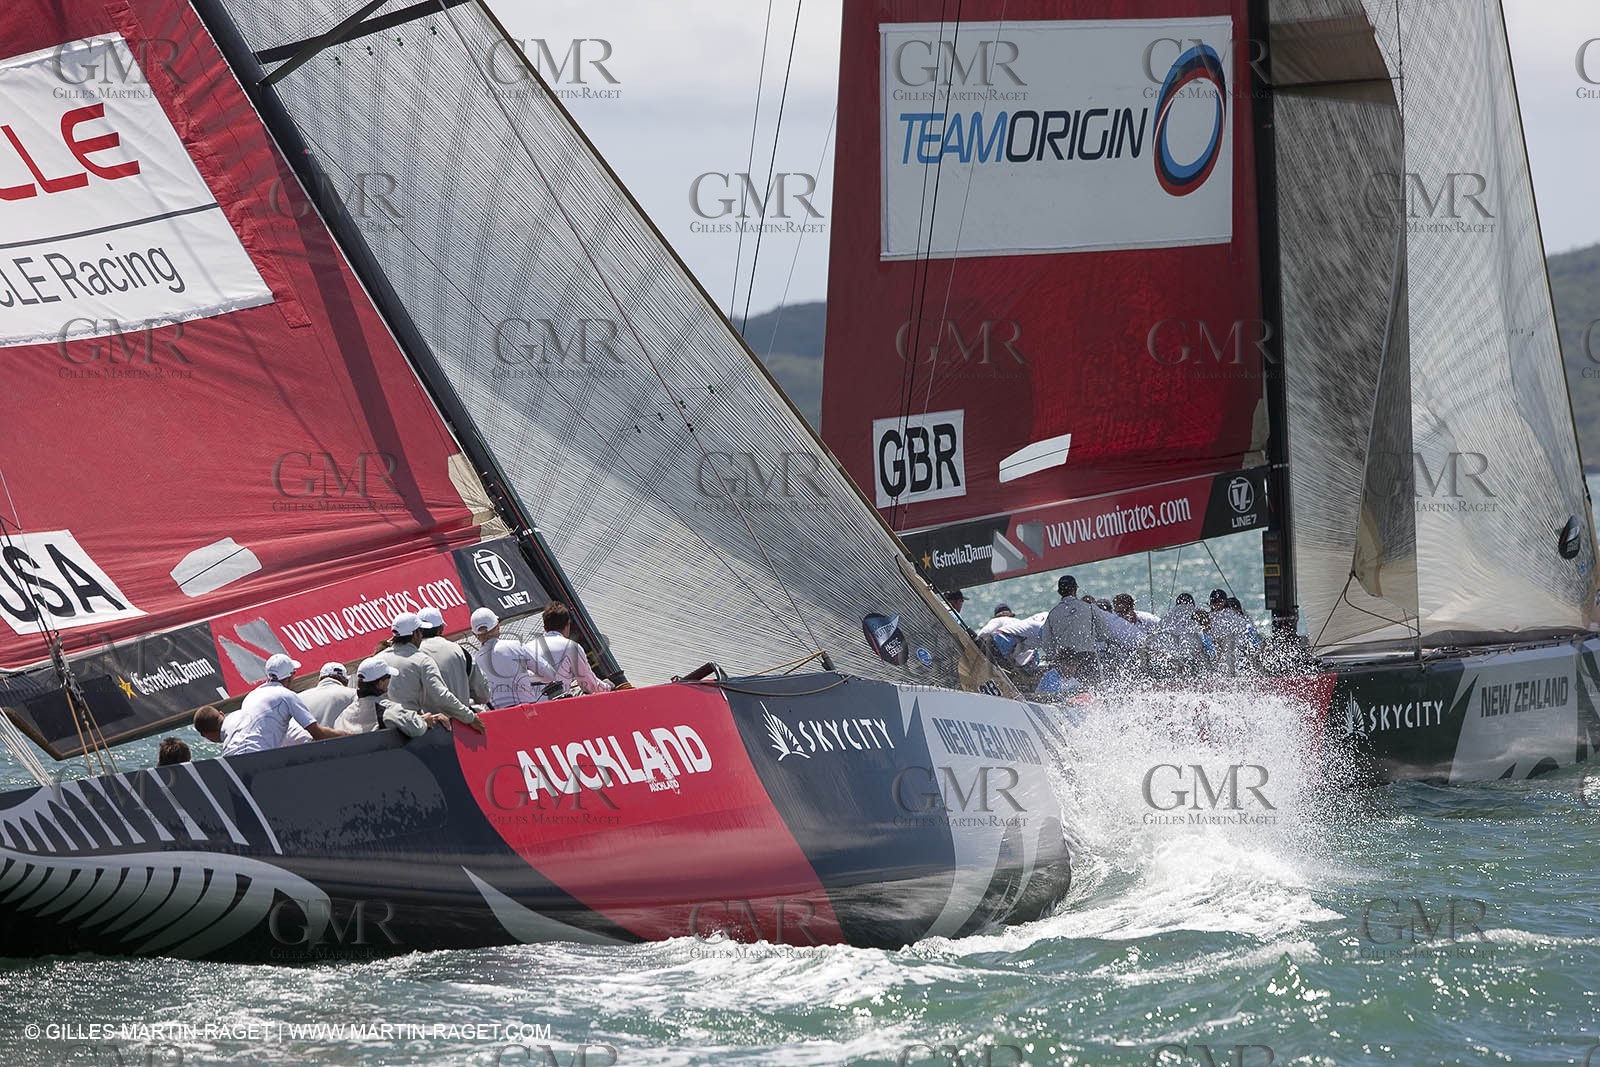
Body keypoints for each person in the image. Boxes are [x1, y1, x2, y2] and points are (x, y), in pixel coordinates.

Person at [377, 612, 488, 733]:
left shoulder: (377, 659)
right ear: (415, 634)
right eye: (420, 631)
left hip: (385, 729)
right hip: (417, 729)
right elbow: (441, 695)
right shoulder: (421, 659)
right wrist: (469, 717)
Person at [221, 654, 350, 756]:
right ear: (290, 677)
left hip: (230, 756)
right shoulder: (287, 696)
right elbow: (318, 734)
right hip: (257, 756)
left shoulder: (251, 696)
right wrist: (348, 735)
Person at [334, 658, 446, 737]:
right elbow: (416, 728)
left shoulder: (344, 715)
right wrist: (425, 721)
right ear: (380, 683)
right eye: (388, 677)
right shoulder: (386, 709)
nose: (389, 681)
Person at [529, 602, 614, 697]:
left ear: (545, 627)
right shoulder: (571, 647)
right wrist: (608, 687)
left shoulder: (526, 648)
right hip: (556, 705)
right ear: (568, 625)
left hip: (527, 706)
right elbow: (588, 684)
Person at [1042, 575, 1109, 682]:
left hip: (1065, 661)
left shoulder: (1053, 613)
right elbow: (1104, 634)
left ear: (1059, 592)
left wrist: (1056, 657)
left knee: (1069, 695)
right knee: (1094, 693)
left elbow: (1047, 644)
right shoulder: (1089, 607)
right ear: (1075, 589)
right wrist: (1089, 639)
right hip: (1087, 657)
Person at [416, 606, 487, 706]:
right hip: (462, 718)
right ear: (441, 628)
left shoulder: (411, 655)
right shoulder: (460, 651)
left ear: (418, 630)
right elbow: (482, 695)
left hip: (427, 720)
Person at [300, 662, 358, 728]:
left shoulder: (299, 697)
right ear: (346, 681)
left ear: (320, 678)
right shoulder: (354, 694)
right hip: (343, 737)